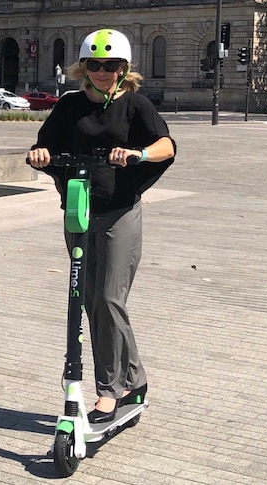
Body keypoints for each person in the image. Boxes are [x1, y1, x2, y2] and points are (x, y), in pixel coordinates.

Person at [27, 28, 176, 424]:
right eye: (96, 65)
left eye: (112, 66)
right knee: (91, 302)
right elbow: (44, 144)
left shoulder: (136, 105)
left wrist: (136, 153)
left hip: (119, 211)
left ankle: (110, 390)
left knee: (109, 299)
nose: (104, 72)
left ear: (124, 69)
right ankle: (135, 379)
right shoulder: (69, 105)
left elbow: (167, 146)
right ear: (84, 67)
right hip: (78, 210)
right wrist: (41, 154)